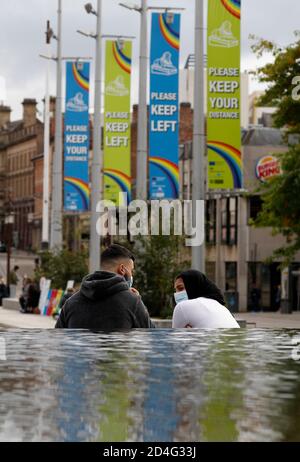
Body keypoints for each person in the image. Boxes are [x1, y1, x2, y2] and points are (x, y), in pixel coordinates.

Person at [55, 244, 155, 329]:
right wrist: (138, 301)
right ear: (122, 269)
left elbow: (58, 341)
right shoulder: (133, 302)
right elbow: (151, 337)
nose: (132, 275)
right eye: (131, 270)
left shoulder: (70, 304)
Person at [172, 270, 240, 328]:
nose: (177, 294)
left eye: (180, 288)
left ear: (193, 286)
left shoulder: (182, 306)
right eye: (175, 290)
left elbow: (177, 340)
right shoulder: (220, 307)